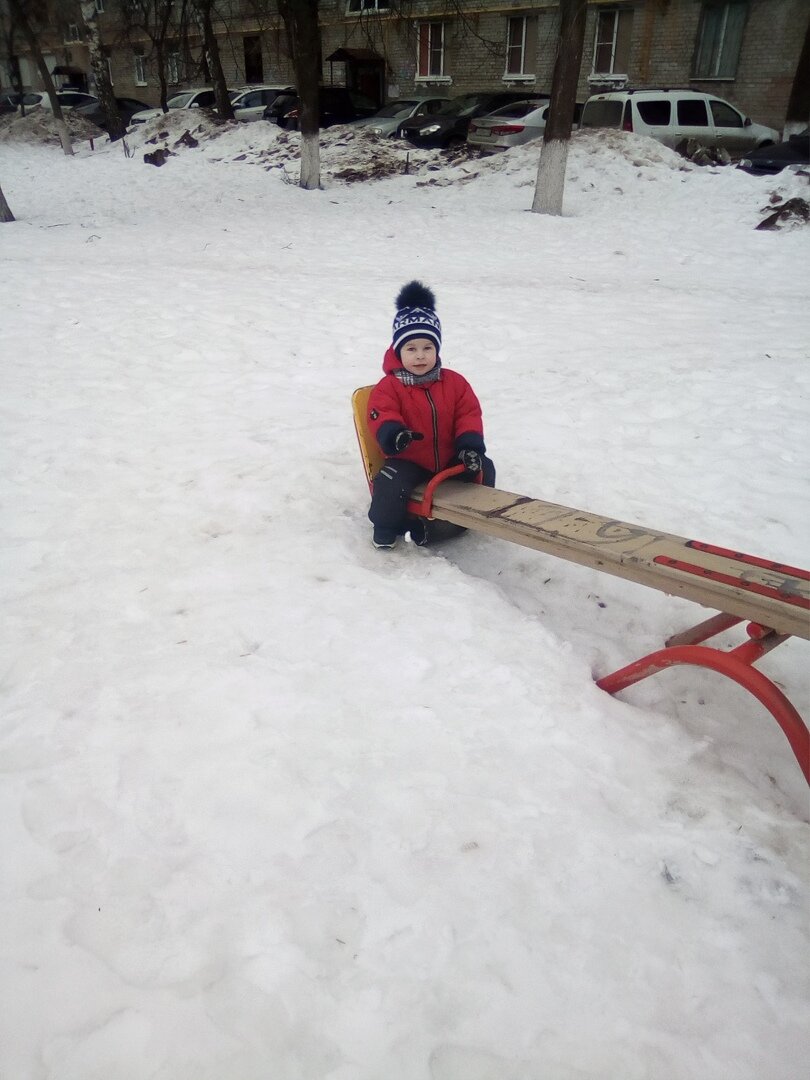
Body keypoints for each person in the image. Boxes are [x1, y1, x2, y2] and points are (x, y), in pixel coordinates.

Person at [366, 281, 495, 549]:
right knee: (391, 481)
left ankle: (474, 515)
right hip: (409, 459)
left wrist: (469, 447)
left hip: (448, 457)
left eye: (427, 347)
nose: (420, 356)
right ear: (398, 351)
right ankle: (387, 526)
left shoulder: (455, 383)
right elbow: (382, 414)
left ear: (437, 349)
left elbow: (468, 414)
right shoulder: (388, 387)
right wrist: (395, 434)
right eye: (411, 349)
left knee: (485, 466)